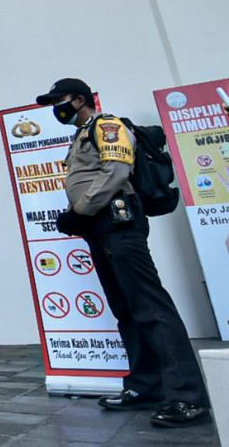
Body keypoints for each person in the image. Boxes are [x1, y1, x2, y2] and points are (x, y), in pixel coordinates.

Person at [36, 78, 210, 428]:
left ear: (80, 99)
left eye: (61, 100)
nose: (57, 107)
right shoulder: (81, 135)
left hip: (119, 224)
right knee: (127, 310)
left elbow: (116, 171)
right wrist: (81, 217)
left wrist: (80, 210)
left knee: (150, 307)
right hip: (99, 227)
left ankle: (188, 397)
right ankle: (147, 386)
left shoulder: (107, 125)